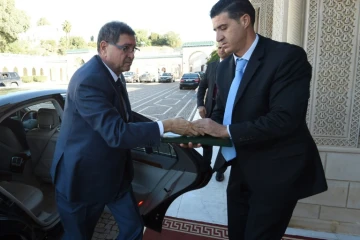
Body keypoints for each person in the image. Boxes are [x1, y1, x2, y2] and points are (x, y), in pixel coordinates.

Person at [190, 0, 328, 239]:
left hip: (277, 171)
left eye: (223, 27)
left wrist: (224, 131)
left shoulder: (287, 57)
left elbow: (285, 119)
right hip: (240, 168)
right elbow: (221, 112)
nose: (218, 37)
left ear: (245, 21)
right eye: (215, 30)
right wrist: (202, 131)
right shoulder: (223, 68)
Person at [50, 21, 197, 240]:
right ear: (103, 47)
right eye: (125, 48)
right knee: (78, 236)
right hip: (81, 179)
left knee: (134, 229)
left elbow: (126, 118)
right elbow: (117, 132)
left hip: (114, 175)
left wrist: (171, 129)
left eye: (133, 48)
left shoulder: (114, 74)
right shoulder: (88, 81)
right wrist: (166, 126)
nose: (131, 54)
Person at [197, 45, 231, 182]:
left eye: (224, 47)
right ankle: (206, 166)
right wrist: (200, 104)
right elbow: (202, 87)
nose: (221, 50)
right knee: (207, 138)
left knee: (224, 139)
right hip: (210, 108)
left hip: (227, 110)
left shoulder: (234, 65)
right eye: (219, 47)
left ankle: (220, 169)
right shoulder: (211, 66)